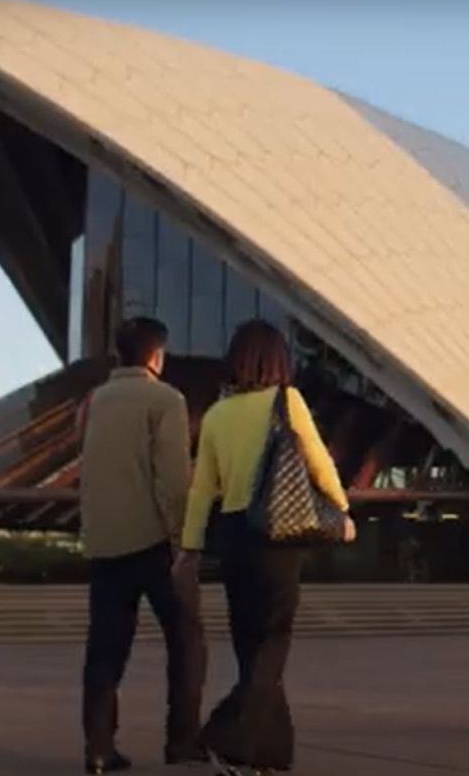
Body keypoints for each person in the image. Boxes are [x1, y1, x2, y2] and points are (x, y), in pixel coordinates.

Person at [174, 320, 354, 773]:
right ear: (278, 360)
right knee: (272, 644)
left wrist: (190, 547)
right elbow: (318, 459)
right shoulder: (286, 401)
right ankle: (225, 736)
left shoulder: (216, 415)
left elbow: (201, 490)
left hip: (234, 536)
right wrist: (342, 511)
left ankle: (268, 756)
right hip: (276, 536)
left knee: (251, 646)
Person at [78, 317, 206, 774]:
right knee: (188, 640)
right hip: (154, 543)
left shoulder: (94, 401)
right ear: (156, 356)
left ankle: (97, 749)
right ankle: (182, 742)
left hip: (105, 541)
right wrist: (183, 541)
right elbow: (172, 478)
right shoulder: (165, 399)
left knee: (105, 651)